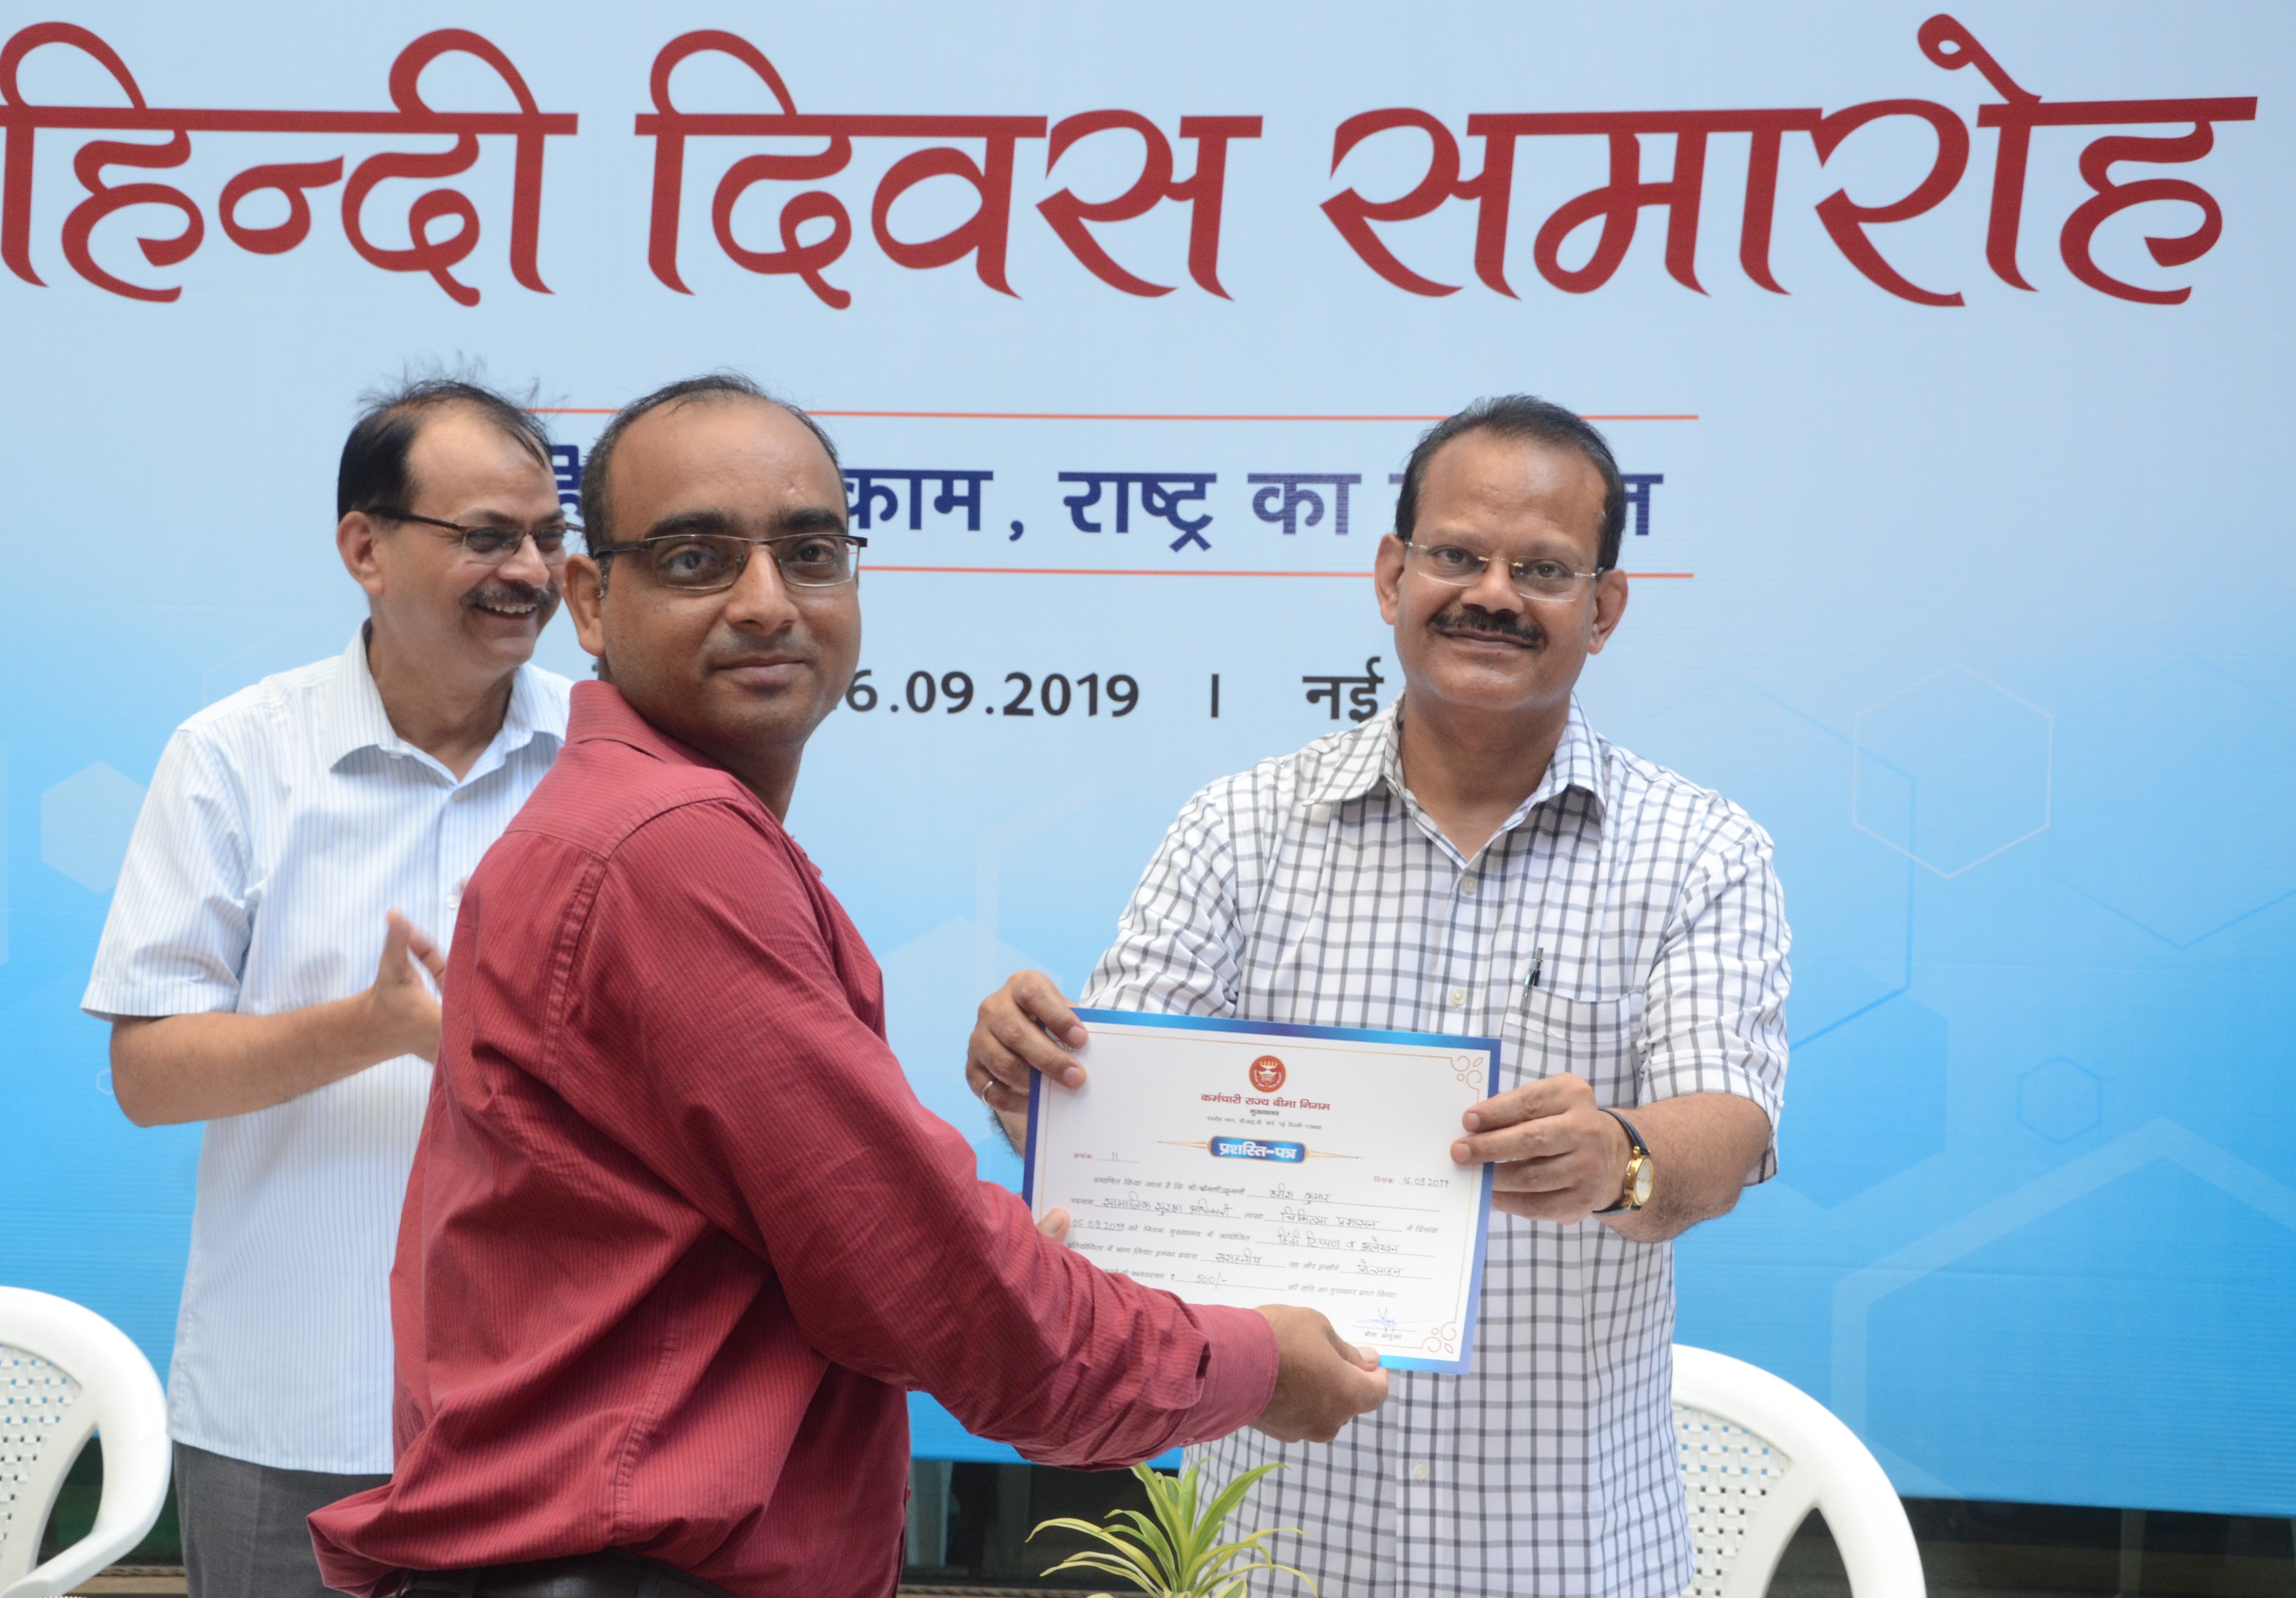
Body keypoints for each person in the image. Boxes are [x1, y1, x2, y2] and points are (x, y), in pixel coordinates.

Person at [307, 374, 1389, 1598]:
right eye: (697, 559)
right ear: (592, 602)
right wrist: (1249, 1361)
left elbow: (859, 1251)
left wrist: (976, 1260)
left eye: (811, 554)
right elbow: (931, 1285)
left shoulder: (653, 825)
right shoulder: (669, 848)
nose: (767, 603)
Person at [969, 395, 1791, 1597]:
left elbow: (1725, 1131)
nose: (1492, 594)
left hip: (1560, 1555)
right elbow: (1118, 1132)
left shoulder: (1700, 852)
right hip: (1267, 1546)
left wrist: (1618, 1157)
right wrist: (1032, 1087)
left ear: (1603, 608)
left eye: (1542, 569)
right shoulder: (1238, 827)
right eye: (1456, 555)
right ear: (1392, 575)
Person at [85, 379, 576, 1598]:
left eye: (546, 536)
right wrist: (374, 1028)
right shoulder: (235, 757)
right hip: (289, 1409)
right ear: (366, 547)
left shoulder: (610, 758)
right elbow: (148, 1075)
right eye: (487, 536)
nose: (529, 572)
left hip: (549, 1410)